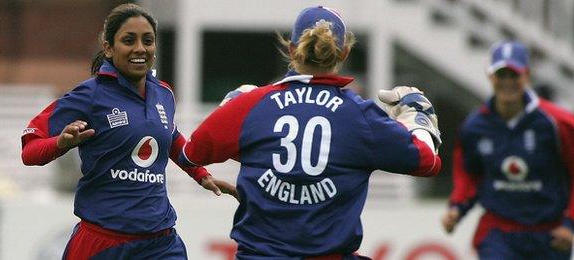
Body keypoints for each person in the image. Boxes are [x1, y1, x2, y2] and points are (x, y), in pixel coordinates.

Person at [176, 6, 442, 259]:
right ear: (344, 53)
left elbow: (191, 154)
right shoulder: (360, 116)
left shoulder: (253, 105)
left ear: (291, 49)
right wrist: (417, 115)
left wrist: (236, 118)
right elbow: (426, 161)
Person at [21, 3, 236, 259]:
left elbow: (171, 137)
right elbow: (29, 152)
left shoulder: (163, 93)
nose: (140, 49)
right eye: (128, 40)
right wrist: (61, 143)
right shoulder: (90, 95)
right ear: (109, 48)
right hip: (104, 242)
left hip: (160, 242)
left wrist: (200, 174)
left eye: (148, 40)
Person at [441, 41, 574, 259]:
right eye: (501, 75)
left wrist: (572, 223)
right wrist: (457, 209)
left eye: (514, 75)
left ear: (526, 76)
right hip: (499, 233)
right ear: (490, 76)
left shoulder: (559, 123)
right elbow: (469, 174)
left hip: (550, 235)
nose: (507, 82)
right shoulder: (475, 127)